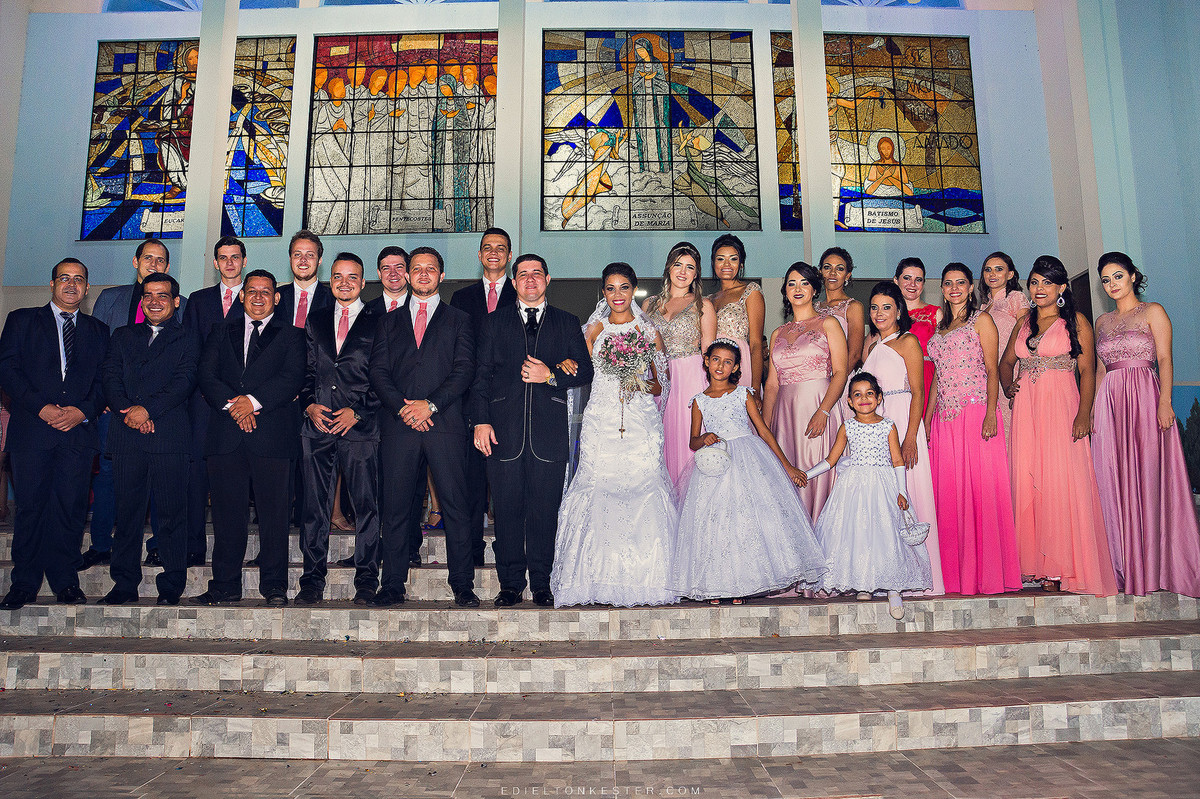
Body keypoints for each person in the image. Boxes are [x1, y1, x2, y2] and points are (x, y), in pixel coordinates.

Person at [551, 263, 679, 608]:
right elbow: (575, 370)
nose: (618, 295)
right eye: (611, 288)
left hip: (639, 420)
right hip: (602, 418)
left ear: (633, 290)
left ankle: (651, 579)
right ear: (603, 292)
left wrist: (635, 378)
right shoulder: (593, 330)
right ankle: (590, 576)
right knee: (598, 484)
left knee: (643, 486)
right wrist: (564, 364)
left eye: (624, 287)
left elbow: (660, 384)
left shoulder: (649, 330)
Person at [471, 254, 594, 607]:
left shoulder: (567, 322)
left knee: (544, 512)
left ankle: (542, 583)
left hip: (548, 434)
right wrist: (480, 420)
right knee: (507, 511)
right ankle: (510, 584)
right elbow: (480, 377)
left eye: (536, 274)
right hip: (501, 432)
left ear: (548, 279)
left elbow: (584, 371)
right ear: (513, 283)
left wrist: (552, 375)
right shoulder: (493, 323)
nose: (529, 279)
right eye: (522, 274)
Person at [672, 339, 824, 603]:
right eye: (716, 359)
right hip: (715, 464)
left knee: (745, 521)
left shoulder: (744, 395)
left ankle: (741, 585)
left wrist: (786, 466)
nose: (721, 366)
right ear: (706, 362)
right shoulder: (698, 402)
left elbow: (763, 431)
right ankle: (716, 586)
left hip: (747, 458)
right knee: (716, 523)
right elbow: (692, 442)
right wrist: (705, 437)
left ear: (735, 367)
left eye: (728, 362)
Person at [1000, 255, 1117, 597]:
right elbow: (1006, 363)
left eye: (1047, 283)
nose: (1039, 289)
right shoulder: (1023, 322)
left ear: (1062, 288)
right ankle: (1038, 567)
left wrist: (1084, 413)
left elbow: (1087, 370)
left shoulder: (1076, 321)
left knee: (1061, 481)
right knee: (1029, 479)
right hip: (1027, 410)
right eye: (1034, 282)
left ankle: (1066, 566)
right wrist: (1009, 387)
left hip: (1062, 406)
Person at [370, 246, 477, 607]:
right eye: (417, 269)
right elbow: (378, 373)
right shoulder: (386, 321)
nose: (424, 274)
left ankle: (463, 583)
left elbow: (463, 371)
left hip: (444, 423)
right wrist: (404, 408)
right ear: (408, 275)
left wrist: (429, 405)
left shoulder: (460, 319)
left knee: (456, 507)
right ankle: (393, 584)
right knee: (396, 508)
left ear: (441, 276)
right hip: (399, 426)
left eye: (431, 269)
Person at [192, 269, 305, 606]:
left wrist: (252, 403)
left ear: (277, 297)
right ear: (241, 296)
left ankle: (274, 587)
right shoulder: (219, 330)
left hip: (271, 435)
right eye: (252, 291)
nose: (258, 297)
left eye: (266, 291)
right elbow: (206, 375)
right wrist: (235, 406)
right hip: (226, 436)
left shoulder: (293, 335)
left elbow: (292, 377)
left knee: (274, 517)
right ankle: (225, 585)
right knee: (227, 516)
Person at [0, 258, 108, 609]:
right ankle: (24, 583)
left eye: (79, 279)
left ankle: (65, 581)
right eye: (64, 278)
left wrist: (82, 411)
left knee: (70, 509)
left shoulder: (98, 331)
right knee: (31, 508)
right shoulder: (22, 321)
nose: (71, 285)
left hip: (77, 436)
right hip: (33, 431)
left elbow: (106, 382)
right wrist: (41, 407)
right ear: (51, 284)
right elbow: (8, 370)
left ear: (87, 288)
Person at [1091, 252, 1200, 596]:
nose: (1112, 284)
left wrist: (1165, 402)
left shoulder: (1154, 312)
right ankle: (1125, 565)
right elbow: (1099, 370)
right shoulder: (1102, 322)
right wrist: (1094, 410)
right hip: (1110, 401)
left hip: (1145, 397)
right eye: (1106, 279)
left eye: (1118, 276)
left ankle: (1157, 567)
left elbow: (1165, 359)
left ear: (1133, 276)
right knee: (1115, 479)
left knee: (1151, 478)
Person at [98, 273, 198, 605]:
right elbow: (109, 377)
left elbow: (183, 382)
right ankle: (124, 584)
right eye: (148, 295)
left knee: (171, 514)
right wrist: (129, 410)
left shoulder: (189, 338)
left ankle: (171, 585)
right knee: (126, 515)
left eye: (162, 295)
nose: (154, 301)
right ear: (142, 300)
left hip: (169, 437)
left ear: (176, 301)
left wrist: (147, 411)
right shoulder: (122, 336)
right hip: (127, 436)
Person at [85, 238, 184, 570]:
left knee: (158, 482)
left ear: (167, 268)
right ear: (135, 261)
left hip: (159, 417)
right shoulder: (111, 298)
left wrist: (148, 410)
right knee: (109, 475)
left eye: (160, 260)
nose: (153, 264)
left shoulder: (176, 307)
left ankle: (156, 545)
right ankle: (101, 544)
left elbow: (179, 368)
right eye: (148, 258)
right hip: (114, 411)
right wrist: (119, 404)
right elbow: (99, 354)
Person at [801, 373, 932, 621]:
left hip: (884, 485)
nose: (864, 399)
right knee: (860, 533)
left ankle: (893, 588)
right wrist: (806, 475)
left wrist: (902, 491)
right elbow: (831, 460)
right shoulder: (847, 427)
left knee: (885, 534)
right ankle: (864, 584)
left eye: (869, 393)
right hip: (854, 487)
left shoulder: (888, 426)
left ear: (879, 397)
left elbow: (897, 460)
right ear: (849, 401)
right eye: (857, 395)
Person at [925, 263, 1021, 596]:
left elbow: (993, 369)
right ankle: (953, 575)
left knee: (980, 492)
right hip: (944, 419)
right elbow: (937, 377)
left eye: (960, 283)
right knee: (950, 494)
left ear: (970, 287)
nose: (954, 288)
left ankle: (987, 575)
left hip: (976, 411)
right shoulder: (939, 328)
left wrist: (992, 413)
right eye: (948, 283)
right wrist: (926, 421)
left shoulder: (981, 320)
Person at [298, 253, 382, 606]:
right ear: (329, 281)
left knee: (366, 505)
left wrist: (358, 412)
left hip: (360, 429)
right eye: (337, 276)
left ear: (363, 283)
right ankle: (312, 580)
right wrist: (308, 403)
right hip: (317, 428)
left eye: (352, 277)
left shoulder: (381, 322)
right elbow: (303, 372)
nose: (344, 282)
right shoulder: (314, 321)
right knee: (315, 508)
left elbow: (386, 378)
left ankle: (366, 579)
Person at [862, 281, 944, 595]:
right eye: (875, 307)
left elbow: (919, 391)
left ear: (899, 310)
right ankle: (890, 575)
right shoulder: (872, 347)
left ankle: (921, 575)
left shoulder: (907, 341)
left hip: (905, 419)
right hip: (878, 425)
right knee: (884, 499)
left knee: (910, 494)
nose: (879, 313)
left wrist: (911, 436)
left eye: (886, 307)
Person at [452, 228, 518, 567]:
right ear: (479, 255)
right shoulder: (461, 299)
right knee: (471, 482)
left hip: (511, 403)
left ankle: (507, 550)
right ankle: (472, 551)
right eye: (487, 248)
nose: (493, 253)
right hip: (469, 404)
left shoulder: (522, 294)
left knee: (507, 485)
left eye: (501, 248)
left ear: (509, 256)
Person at [181, 235, 247, 567]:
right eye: (223, 257)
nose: (230, 263)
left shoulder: (257, 296)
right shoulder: (198, 300)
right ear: (215, 263)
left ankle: (232, 547)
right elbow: (190, 352)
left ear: (244, 261)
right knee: (196, 476)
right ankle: (193, 544)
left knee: (234, 478)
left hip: (241, 403)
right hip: (203, 403)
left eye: (235, 257)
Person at [763, 262, 847, 519]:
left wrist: (824, 410)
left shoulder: (828, 324)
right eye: (791, 283)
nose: (797, 288)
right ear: (785, 292)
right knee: (788, 475)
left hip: (819, 406)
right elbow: (772, 385)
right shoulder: (778, 333)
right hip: (785, 415)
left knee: (817, 471)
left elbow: (841, 372)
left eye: (804, 283)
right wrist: (764, 429)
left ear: (814, 289)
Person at [643, 241, 716, 490]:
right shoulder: (649, 305)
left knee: (688, 442)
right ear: (668, 268)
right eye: (678, 265)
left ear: (696, 274)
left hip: (691, 380)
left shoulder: (702, 305)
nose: (683, 271)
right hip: (658, 381)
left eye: (690, 267)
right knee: (660, 443)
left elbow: (710, 353)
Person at [977, 252, 1027, 451]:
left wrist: (1021, 380)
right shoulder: (982, 308)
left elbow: (1027, 339)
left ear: (1010, 274)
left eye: (999, 269)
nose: (992, 274)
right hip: (988, 379)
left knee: (1014, 437)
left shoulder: (1015, 298)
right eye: (988, 269)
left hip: (1011, 375)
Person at [709, 235, 765, 392]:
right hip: (714, 369)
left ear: (741, 264)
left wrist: (754, 388)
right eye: (721, 259)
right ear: (713, 263)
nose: (726, 264)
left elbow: (756, 344)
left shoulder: (750, 292)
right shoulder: (708, 299)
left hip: (740, 365)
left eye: (733, 259)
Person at [894, 257, 940, 414]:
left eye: (918, 279)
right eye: (907, 278)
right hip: (894, 379)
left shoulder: (935, 313)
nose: (912, 284)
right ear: (895, 280)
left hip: (925, 377)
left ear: (923, 284)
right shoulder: (886, 314)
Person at [816, 247, 865, 371]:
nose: (832, 273)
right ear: (820, 271)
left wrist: (835, 382)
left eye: (840, 269)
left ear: (847, 275)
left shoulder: (853, 307)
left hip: (842, 378)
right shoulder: (813, 308)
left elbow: (854, 354)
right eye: (827, 267)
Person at [278, 230, 334, 331]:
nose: (303, 260)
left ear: (319, 260)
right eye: (297, 254)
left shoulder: (333, 299)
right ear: (290, 259)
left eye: (310, 255)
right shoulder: (275, 297)